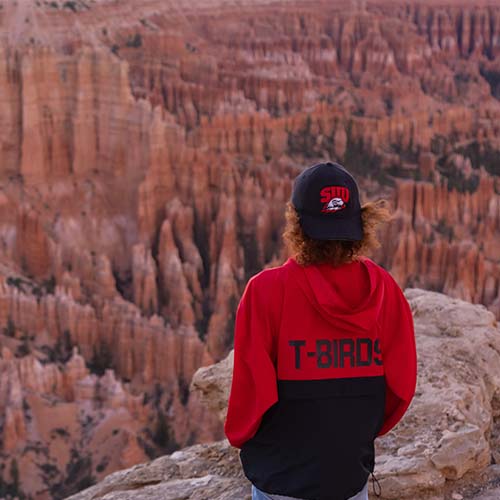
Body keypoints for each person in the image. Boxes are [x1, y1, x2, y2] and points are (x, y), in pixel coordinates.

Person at [224, 162, 417, 500]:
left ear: (296, 225)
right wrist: (351, 436)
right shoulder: (385, 289)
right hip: (348, 479)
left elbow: (250, 397)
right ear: (360, 223)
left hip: (281, 479)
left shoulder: (266, 291)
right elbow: (401, 387)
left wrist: (250, 442)